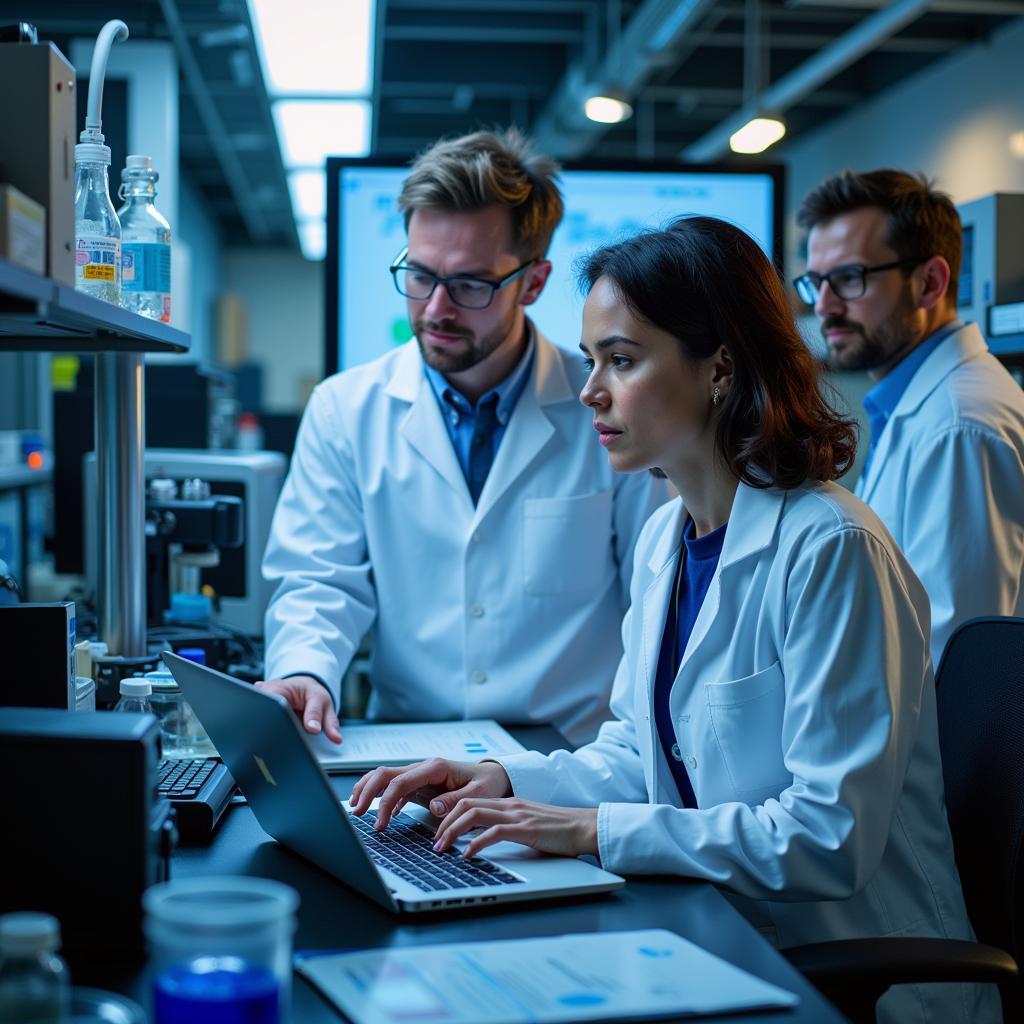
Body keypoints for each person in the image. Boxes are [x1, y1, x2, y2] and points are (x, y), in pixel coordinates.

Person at [350, 217, 996, 1024]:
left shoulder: (834, 549)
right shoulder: (668, 535)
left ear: (719, 368)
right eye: (591, 361)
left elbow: (829, 838)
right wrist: (509, 783)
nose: (590, 391)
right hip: (725, 936)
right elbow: (637, 750)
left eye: (621, 361)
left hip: (852, 979)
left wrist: (591, 832)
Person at [259, 129, 665, 747]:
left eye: (471, 285)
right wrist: (303, 670)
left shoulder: (607, 407)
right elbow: (320, 579)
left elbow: (656, 591)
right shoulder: (346, 409)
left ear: (532, 283)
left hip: (571, 757)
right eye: (419, 275)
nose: (435, 309)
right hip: (406, 751)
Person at [795, 169, 1024, 668]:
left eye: (849, 279)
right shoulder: (917, 403)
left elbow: (953, 653)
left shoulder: (960, 426)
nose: (825, 307)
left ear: (930, 283)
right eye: (816, 283)